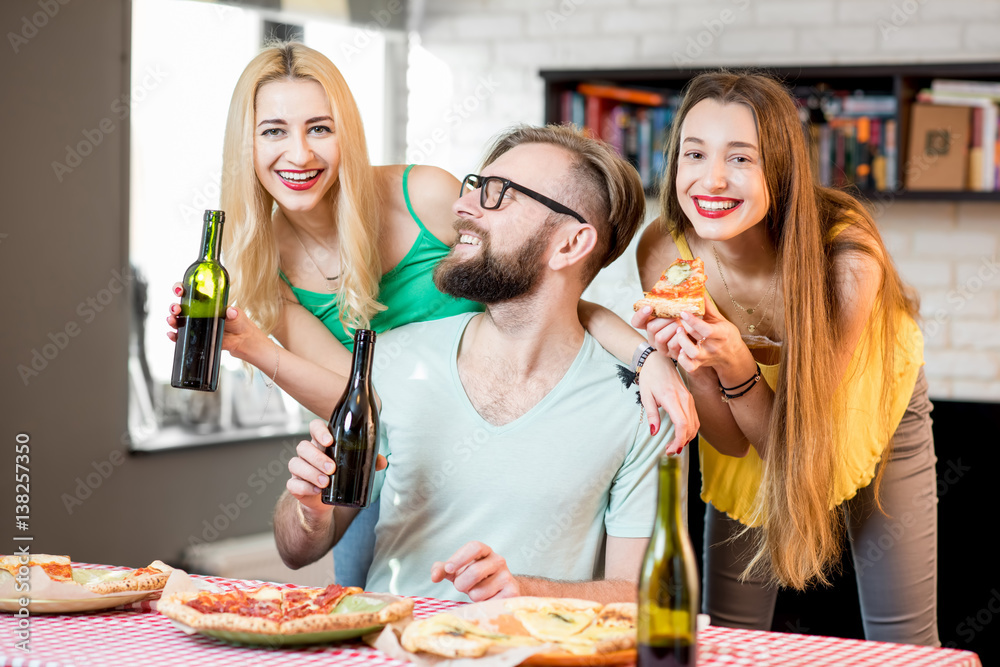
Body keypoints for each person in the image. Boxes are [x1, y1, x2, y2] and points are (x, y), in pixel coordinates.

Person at [166, 43, 696, 588]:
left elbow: (543, 286)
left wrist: (643, 354)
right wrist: (249, 344)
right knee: (363, 588)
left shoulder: (422, 195)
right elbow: (360, 398)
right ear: (246, 144)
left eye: (319, 128)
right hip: (397, 447)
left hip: (489, 423)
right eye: (272, 130)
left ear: (345, 131)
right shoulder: (269, 266)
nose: (298, 154)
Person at [274, 124, 670, 603]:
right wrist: (310, 511)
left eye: (499, 194)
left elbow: (638, 595)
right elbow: (295, 550)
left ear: (570, 244)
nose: (463, 206)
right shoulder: (392, 363)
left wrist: (524, 590)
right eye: (475, 185)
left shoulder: (640, 405)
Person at [632, 70, 938, 645]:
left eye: (741, 159)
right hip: (745, 408)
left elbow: (794, 447)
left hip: (869, 404)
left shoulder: (847, 255)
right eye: (693, 154)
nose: (711, 179)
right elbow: (728, 443)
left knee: (903, 643)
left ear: (780, 168)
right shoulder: (663, 250)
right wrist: (700, 364)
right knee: (726, 638)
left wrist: (737, 367)